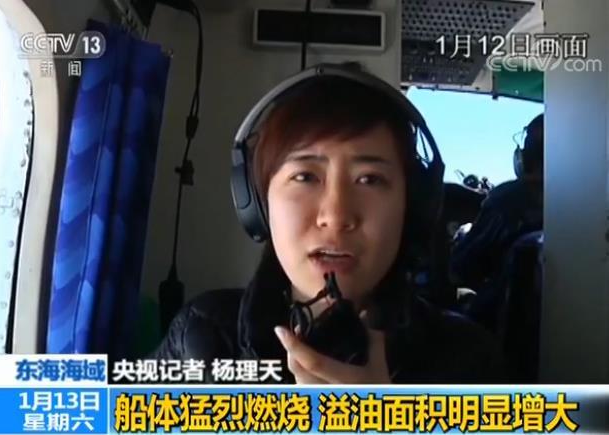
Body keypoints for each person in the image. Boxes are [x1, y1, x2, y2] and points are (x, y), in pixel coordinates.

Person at [153, 64, 502, 383]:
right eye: (305, 176)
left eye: (369, 179)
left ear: (411, 207)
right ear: (258, 202)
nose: (335, 216)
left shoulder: (470, 361)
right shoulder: (201, 335)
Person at [450, 114, 544, 329]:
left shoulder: (509, 198)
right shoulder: (591, 204)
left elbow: (460, 270)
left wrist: (463, 237)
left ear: (526, 156)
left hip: (502, 330)